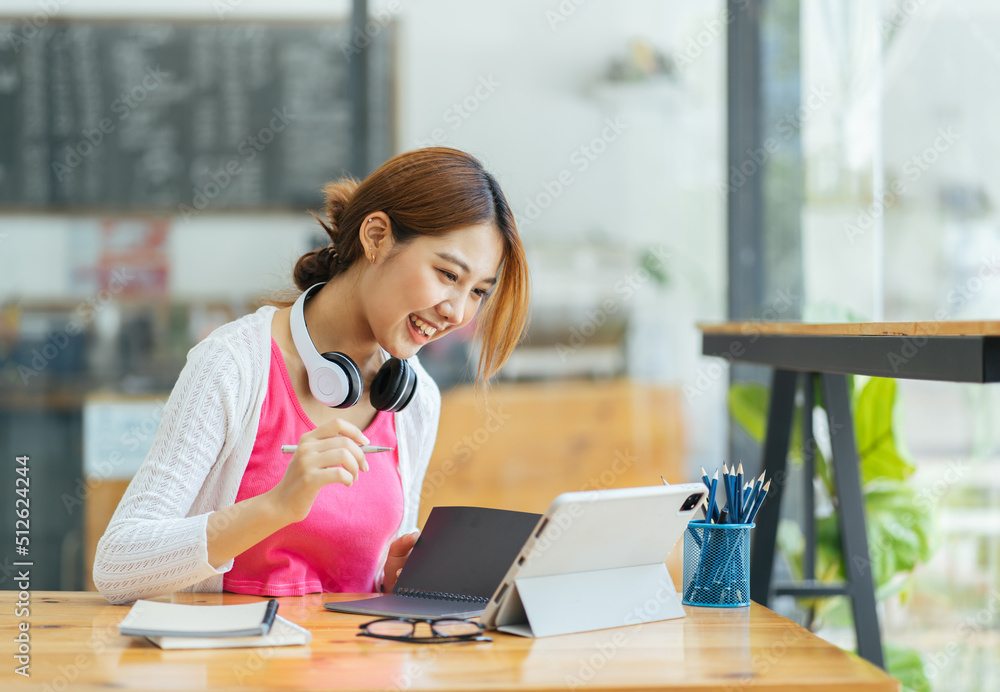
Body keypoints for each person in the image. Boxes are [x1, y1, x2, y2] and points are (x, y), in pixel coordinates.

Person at [93, 147, 530, 605]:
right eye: (447, 274)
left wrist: (393, 580)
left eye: (478, 291)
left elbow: (368, 577)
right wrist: (276, 507)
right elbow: (118, 567)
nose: (457, 311)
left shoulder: (414, 397)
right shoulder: (231, 365)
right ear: (377, 236)